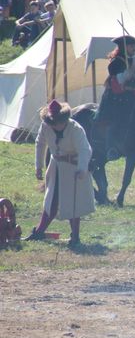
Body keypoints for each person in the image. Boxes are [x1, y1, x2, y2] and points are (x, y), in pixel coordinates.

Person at [25, 100, 94, 248]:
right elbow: (40, 143)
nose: (53, 126)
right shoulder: (46, 126)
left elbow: (85, 150)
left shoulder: (76, 129)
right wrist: (38, 166)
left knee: (73, 203)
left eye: (56, 123)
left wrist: (82, 169)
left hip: (74, 169)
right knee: (51, 201)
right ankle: (39, 232)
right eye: (51, 123)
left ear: (63, 120)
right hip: (55, 167)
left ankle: (75, 237)